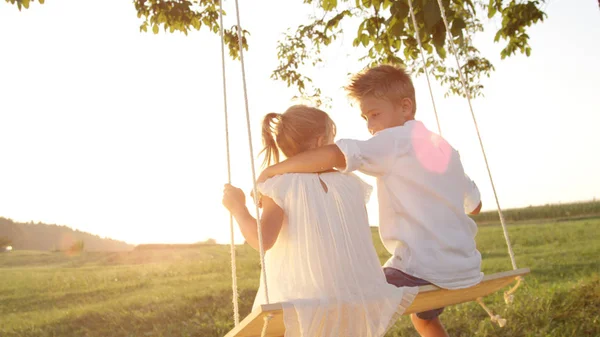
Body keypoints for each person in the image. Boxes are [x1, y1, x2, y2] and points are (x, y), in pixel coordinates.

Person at [257, 65, 484, 337]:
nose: (370, 126)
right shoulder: (444, 147)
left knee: (350, 295)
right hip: (466, 267)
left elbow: (333, 154)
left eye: (375, 115)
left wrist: (271, 171)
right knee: (424, 319)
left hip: (422, 269)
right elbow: (475, 205)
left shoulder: (394, 141)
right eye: (366, 117)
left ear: (405, 106)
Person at [222, 105, 417, 337]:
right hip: (359, 292)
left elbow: (262, 240)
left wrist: (239, 209)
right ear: (320, 141)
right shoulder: (351, 182)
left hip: (304, 299)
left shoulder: (280, 185)